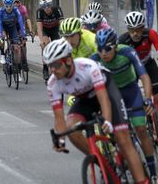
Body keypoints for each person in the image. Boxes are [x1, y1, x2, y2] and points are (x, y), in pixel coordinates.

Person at [45, 39, 150, 184]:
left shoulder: (88, 67)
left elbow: (103, 98)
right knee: (71, 129)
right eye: (49, 66)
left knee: (123, 140)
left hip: (107, 92)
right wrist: (61, 139)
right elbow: (59, 118)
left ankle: (142, 181)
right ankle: (102, 162)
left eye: (56, 65)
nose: (52, 70)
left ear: (68, 60)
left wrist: (107, 121)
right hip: (84, 100)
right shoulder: (53, 83)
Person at [91, 28, 158, 182]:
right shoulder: (95, 59)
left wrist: (148, 99)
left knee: (141, 129)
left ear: (115, 46)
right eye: (100, 49)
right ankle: (119, 162)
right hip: (112, 96)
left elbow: (144, 77)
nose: (104, 53)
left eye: (108, 48)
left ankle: (153, 173)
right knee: (116, 136)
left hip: (131, 91)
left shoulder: (127, 52)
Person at [119, 11, 158, 155]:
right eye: (131, 29)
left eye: (138, 29)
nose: (135, 33)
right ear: (127, 29)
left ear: (143, 27)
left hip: (148, 65)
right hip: (131, 70)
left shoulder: (151, 34)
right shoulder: (122, 40)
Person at [0, 0, 26, 79]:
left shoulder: (16, 10)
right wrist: (1, 34)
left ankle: (17, 69)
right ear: (4, 5)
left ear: (13, 5)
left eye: (10, 6)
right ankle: (2, 53)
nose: (9, 8)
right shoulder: (1, 11)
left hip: (12, 28)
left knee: (17, 47)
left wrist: (23, 35)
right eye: (7, 6)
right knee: (2, 39)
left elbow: (20, 21)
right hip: (4, 28)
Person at [36, 0, 64, 80]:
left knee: (58, 46)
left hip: (55, 29)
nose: (47, 8)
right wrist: (41, 41)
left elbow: (62, 25)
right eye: (44, 6)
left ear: (51, 5)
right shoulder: (39, 12)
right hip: (45, 30)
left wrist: (64, 37)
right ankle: (45, 67)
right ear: (41, 7)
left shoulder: (57, 9)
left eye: (48, 5)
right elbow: (39, 29)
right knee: (46, 46)